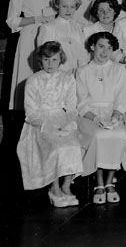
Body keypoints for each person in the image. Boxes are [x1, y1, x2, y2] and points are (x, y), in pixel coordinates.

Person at [16, 41, 84, 207]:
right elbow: (31, 114)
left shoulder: (67, 78)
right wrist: (48, 125)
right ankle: (54, 188)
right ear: (40, 60)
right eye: (46, 60)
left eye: (54, 59)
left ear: (61, 59)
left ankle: (66, 186)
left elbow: (71, 107)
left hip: (62, 118)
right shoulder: (33, 81)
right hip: (39, 123)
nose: (50, 64)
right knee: (56, 147)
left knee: (74, 145)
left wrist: (70, 123)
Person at [76, 31, 126, 204]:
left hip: (113, 113)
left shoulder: (119, 69)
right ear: (92, 47)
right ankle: (99, 181)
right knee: (99, 135)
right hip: (89, 116)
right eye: (101, 46)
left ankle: (109, 180)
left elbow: (123, 96)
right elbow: (81, 101)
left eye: (109, 48)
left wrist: (116, 115)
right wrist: (96, 119)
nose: (105, 51)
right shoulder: (82, 71)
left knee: (118, 134)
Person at [6, 0, 62, 110]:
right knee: (29, 75)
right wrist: (36, 19)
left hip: (52, 33)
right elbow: (12, 20)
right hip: (30, 36)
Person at [37, 0, 88, 70]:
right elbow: (44, 58)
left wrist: (81, 72)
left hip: (77, 72)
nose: (68, 10)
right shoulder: (48, 28)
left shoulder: (80, 27)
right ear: (57, 5)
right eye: (64, 6)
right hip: (57, 73)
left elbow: (83, 54)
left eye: (72, 7)